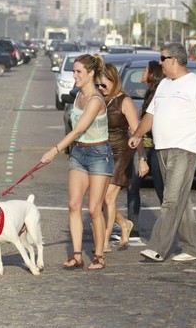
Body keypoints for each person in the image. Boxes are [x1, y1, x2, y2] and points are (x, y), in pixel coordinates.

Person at [129, 43, 196, 262]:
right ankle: (192, 248)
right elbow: (150, 115)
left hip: (184, 149)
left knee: (170, 200)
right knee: (180, 201)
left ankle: (158, 247)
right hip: (162, 149)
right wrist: (137, 134)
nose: (160, 62)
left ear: (174, 60)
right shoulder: (164, 85)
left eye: (163, 58)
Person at [40, 54, 113, 271]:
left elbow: (80, 128)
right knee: (73, 205)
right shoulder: (78, 95)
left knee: (93, 209)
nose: (75, 75)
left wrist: (55, 150)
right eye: (73, 71)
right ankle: (77, 254)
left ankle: (99, 255)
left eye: (79, 71)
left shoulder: (96, 100)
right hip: (79, 153)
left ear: (91, 73)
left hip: (99, 154)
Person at [97, 62, 143, 251]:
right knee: (99, 199)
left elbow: (137, 131)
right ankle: (124, 224)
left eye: (104, 85)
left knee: (107, 198)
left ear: (114, 80)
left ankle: (104, 243)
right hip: (101, 153)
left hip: (121, 152)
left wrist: (142, 158)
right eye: (98, 85)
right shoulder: (99, 100)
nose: (101, 89)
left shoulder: (125, 101)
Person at [127, 60, 165, 238]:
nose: (142, 73)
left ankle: (167, 226)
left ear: (152, 74)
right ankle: (132, 226)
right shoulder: (148, 93)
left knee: (161, 189)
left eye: (145, 70)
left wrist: (138, 129)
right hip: (143, 147)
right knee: (132, 186)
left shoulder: (160, 93)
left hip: (157, 148)